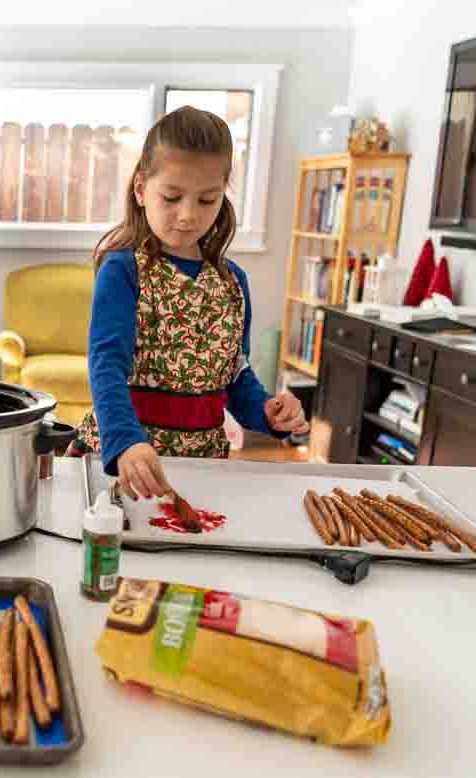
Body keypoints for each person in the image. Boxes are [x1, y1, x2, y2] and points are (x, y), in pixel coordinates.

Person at [71, 106, 309, 499]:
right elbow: (105, 366)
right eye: (172, 197)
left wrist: (268, 412)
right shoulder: (124, 271)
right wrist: (126, 442)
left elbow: (234, 377)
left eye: (206, 200)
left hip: (203, 469)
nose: (187, 215)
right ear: (141, 189)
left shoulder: (234, 283)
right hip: (124, 464)